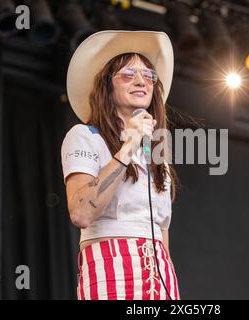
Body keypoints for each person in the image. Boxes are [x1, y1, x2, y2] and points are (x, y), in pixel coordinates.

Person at [61, 30, 180, 300]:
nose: (141, 81)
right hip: (110, 270)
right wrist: (128, 146)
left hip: (160, 276)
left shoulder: (155, 150)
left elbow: (161, 230)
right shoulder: (84, 136)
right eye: (128, 73)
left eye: (149, 75)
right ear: (107, 84)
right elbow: (81, 213)